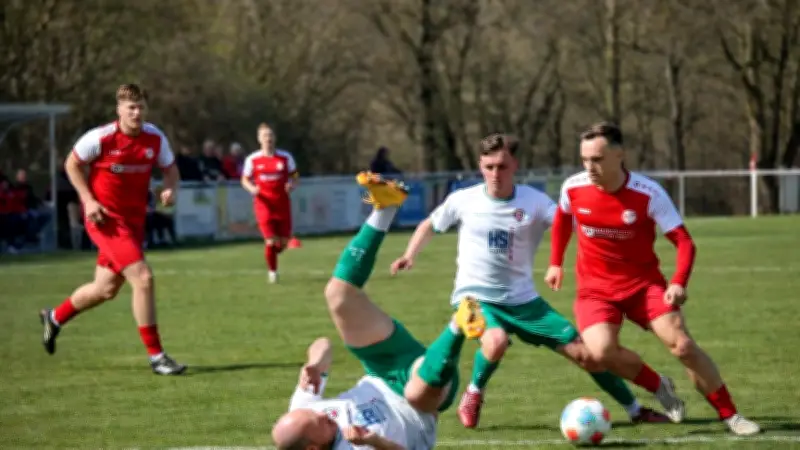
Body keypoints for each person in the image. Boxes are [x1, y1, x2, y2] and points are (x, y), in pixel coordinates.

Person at [391, 133, 673, 429]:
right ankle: (474, 393)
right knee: (496, 341)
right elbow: (430, 224)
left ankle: (636, 410)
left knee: (588, 355)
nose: (495, 174)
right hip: (474, 298)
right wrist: (409, 254)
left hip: (524, 301)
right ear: (480, 166)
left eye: (502, 166)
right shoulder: (463, 199)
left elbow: (573, 225)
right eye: (488, 167)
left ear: (515, 165)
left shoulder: (535, 201)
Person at [545, 122, 760, 436]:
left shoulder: (648, 193)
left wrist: (678, 281)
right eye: (585, 159)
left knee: (683, 346)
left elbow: (684, 242)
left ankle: (731, 415)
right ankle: (659, 386)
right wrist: (555, 263)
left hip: (643, 286)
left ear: (619, 154)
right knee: (600, 352)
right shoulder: (572, 187)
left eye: (597, 159)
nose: (589, 167)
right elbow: (563, 220)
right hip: (595, 290)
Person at [272, 172, 472, 450]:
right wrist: (375, 441)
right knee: (417, 391)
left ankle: (386, 206)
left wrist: (315, 364)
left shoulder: (302, 413)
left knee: (338, 295)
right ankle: (460, 323)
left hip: (382, 367)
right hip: (417, 406)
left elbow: (323, 344)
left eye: (317, 413)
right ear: (312, 449)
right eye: (322, 422)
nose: (324, 415)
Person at [38, 84, 186, 375]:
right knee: (143, 278)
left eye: (141, 107)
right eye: (131, 107)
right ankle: (157, 357)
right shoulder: (101, 137)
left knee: (105, 289)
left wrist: (170, 189)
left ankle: (54, 318)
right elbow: (71, 164)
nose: (136, 112)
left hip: (134, 223)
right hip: (105, 220)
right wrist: (88, 200)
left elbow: (171, 169)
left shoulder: (155, 138)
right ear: (119, 109)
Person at [240, 123, 298, 284]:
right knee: (271, 241)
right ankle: (273, 272)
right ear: (259, 139)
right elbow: (244, 179)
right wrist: (252, 188)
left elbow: (295, 176)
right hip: (263, 204)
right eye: (265, 135)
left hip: (282, 204)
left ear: (275, 138)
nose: (268, 138)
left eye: (270, 135)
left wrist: (292, 184)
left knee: (284, 242)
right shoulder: (252, 159)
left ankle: (272, 253)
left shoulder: (285, 158)